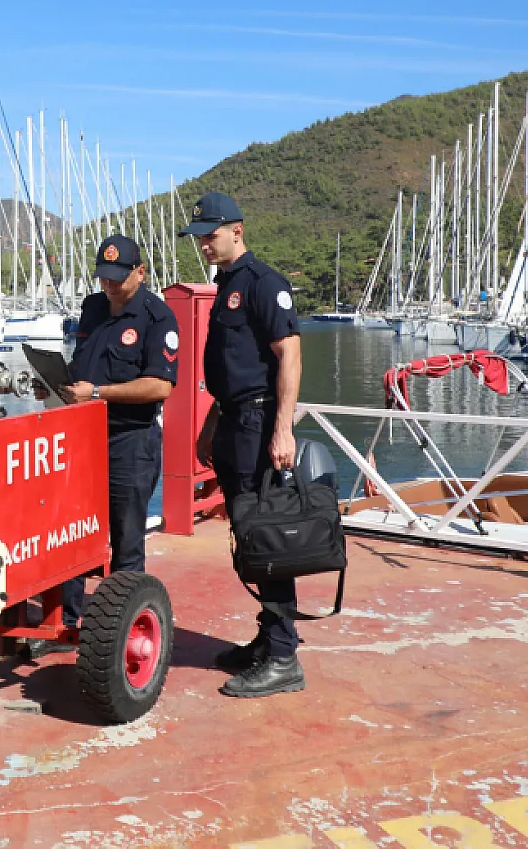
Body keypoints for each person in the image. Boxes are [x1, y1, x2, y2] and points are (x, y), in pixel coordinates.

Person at [181, 192, 305, 697]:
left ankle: (282, 657)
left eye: (211, 234)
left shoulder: (262, 283)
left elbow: (288, 357)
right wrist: (212, 424)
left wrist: (283, 428)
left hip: (259, 425)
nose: (205, 244)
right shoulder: (227, 285)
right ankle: (268, 636)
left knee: (269, 537)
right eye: (200, 237)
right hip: (234, 419)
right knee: (249, 539)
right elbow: (233, 372)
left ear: (237, 230)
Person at [43, 233, 179, 648]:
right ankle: (65, 624)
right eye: (103, 277)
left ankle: (117, 636)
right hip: (83, 437)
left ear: (140, 272)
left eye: (118, 278)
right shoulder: (92, 308)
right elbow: (83, 364)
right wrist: (56, 382)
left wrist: (97, 393)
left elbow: (160, 386)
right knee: (69, 531)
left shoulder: (158, 319)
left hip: (129, 442)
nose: (109, 286)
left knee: (125, 540)